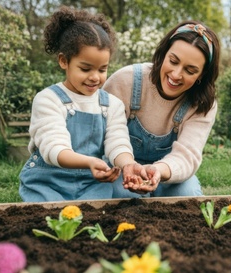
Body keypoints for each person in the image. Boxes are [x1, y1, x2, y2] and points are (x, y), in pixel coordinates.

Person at [19, 7, 156, 202]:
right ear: (64, 61)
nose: (94, 77)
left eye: (102, 69)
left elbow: (117, 142)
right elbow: (54, 149)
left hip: (91, 183)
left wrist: (128, 164)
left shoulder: (111, 105)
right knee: (49, 221)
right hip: (47, 183)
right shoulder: (48, 99)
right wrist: (90, 162)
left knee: (92, 220)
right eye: (85, 68)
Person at [102, 20, 221, 197]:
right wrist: (127, 165)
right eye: (173, 61)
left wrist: (158, 170)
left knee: (187, 195)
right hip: (120, 166)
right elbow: (102, 135)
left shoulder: (203, 105)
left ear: (201, 75)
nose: (176, 75)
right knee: (125, 195)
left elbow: (186, 156)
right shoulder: (126, 81)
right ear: (163, 53)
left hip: (168, 172)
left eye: (190, 70)